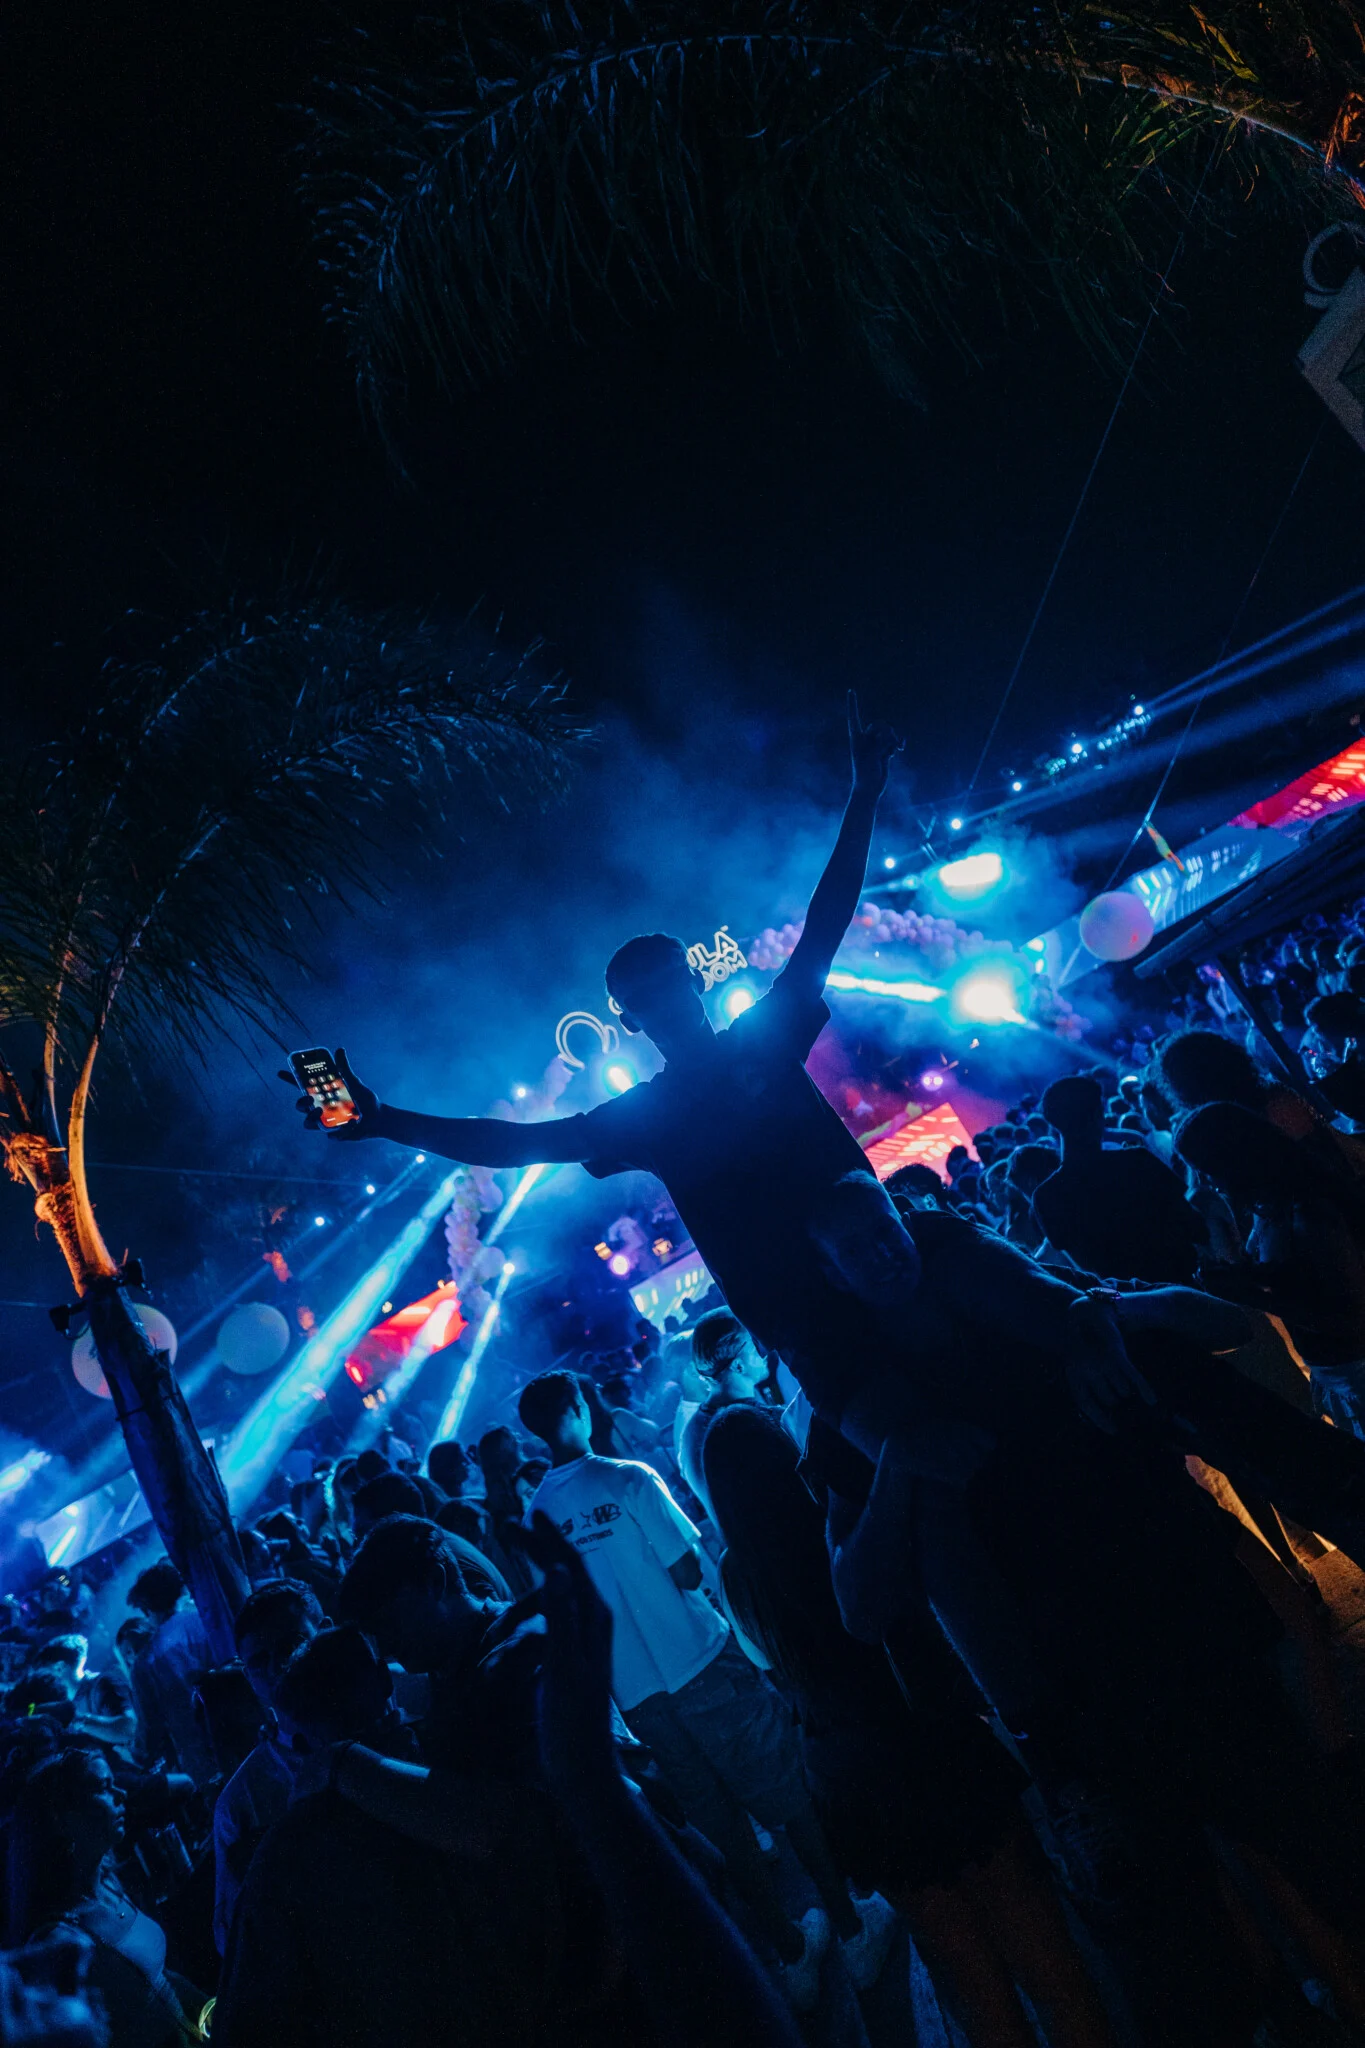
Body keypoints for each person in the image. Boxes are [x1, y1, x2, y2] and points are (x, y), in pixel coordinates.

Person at [284, 693, 902, 1371]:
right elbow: (512, 1144)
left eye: (670, 980)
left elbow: (824, 923)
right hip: (818, 1331)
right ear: (631, 1018)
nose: (668, 997)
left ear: (691, 983)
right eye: (650, 992)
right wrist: (383, 1120)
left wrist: (864, 794)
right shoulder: (667, 1102)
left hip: (882, 1276)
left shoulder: (712, 1073)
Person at [703, 1403, 1114, 2044]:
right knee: (1054, 1970)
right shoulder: (837, 1525)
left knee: (980, 1994)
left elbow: (773, 1671)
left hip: (849, 1781)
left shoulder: (736, 1576)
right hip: (928, 1745)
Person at [517, 1368, 854, 2008]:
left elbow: (569, 1616)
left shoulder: (537, 1517)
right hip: (700, 1661)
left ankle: (790, 1954)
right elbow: (687, 1569)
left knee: (722, 1825)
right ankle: (851, 1926)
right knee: (785, 1790)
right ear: (579, 1407)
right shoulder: (627, 1478)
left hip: (638, 1697)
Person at [214, 1625, 567, 2048]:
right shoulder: (475, 1761)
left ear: (302, 1733)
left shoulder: (284, 1852)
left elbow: (249, 2017)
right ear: (384, 1680)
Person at [5, 1750, 200, 2046]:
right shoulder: (59, 1938)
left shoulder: (109, 1883)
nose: (122, 1794)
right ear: (63, 1818)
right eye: (103, 1788)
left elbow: (158, 1977)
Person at [210, 1579, 323, 1956]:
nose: (279, 1667)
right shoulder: (242, 1802)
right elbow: (232, 1937)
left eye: (292, 1645)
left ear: (324, 1632)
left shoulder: (407, 1696)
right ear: (248, 1675)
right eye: (260, 1660)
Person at [1032, 1074, 1204, 1284]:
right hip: (1182, 1289)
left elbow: (1086, 1268)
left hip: (1124, 1300)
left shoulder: (1046, 1196)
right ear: (1098, 1114)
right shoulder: (1138, 1161)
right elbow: (1196, 1228)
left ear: (1053, 1122)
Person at [677, 1310, 775, 1517]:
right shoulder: (748, 1423)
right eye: (754, 1344)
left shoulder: (692, 1430)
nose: (764, 1349)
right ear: (738, 1365)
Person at [123, 1566, 213, 1783]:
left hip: (205, 1759)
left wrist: (134, 1752)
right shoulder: (209, 1620)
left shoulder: (145, 1663)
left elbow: (150, 1732)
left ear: (145, 1608)